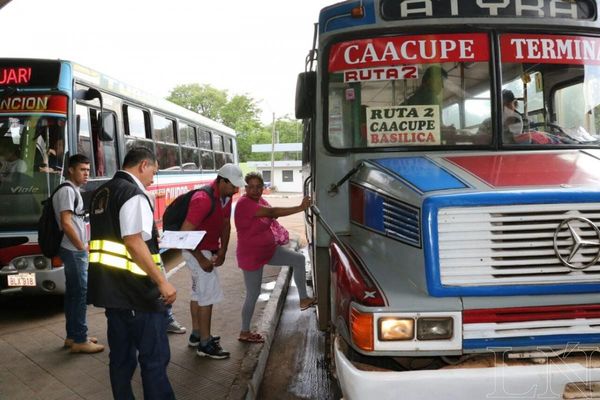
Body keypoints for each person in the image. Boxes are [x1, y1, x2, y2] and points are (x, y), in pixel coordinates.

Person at [87, 147, 177, 400]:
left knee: (121, 359)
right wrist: (162, 283)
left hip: (112, 292)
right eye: (154, 172)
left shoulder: (102, 192)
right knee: (155, 359)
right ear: (143, 165)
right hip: (139, 292)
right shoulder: (134, 194)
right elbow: (133, 241)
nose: (153, 179)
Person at [234, 172, 316, 343]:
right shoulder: (244, 204)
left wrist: (272, 215)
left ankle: (303, 299)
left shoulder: (259, 201)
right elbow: (273, 212)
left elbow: (272, 214)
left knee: (298, 259)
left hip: (269, 251)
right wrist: (300, 207)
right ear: (245, 188)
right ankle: (244, 331)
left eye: (259, 187)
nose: (256, 190)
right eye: (252, 187)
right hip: (251, 256)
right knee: (253, 293)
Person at [180, 163, 244, 359]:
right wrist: (200, 259)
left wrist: (223, 250)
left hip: (206, 250)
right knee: (207, 296)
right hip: (196, 251)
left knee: (197, 292)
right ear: (222, 180)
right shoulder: (203, 199)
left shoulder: (225, 197)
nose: (236, 189)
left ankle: (197, 334)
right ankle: (205, 344)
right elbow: (184, 235)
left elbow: (225, 224)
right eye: (233, 185)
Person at [54, 154, 104, 354]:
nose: (86, 174)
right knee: (81, 294)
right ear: (71, 170)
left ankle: (73, 335)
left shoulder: (71, 190)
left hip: (73, 250)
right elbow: (66, 222)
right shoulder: (67, 191)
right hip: (74, 251)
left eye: (88, 170)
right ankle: (80, 339)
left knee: (74, 294)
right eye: (82, 170)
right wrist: (81, 246)